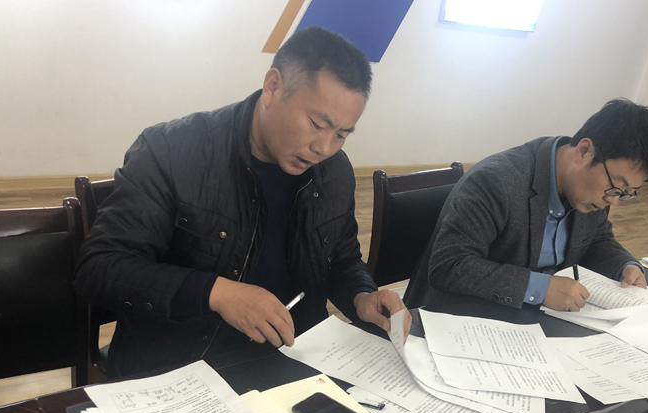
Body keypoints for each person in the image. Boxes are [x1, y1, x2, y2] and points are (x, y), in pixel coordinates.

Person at [74, 26, 407, 378]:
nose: (324, 148)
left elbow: (341, 258)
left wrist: (361, 296)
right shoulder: (171, 151)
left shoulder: (334, 171)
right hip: (185, 365)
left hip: (297, 358)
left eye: (341, 134)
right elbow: (100, 268)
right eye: (316, 124)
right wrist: (217, 293)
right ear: (273, 86)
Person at [404, 98, 648, 312]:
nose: (613, 199)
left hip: (535, 319)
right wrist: (540, 288)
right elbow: (450, 266)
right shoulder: (496, 181)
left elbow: (596, 238)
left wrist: (625, 265)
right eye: (616, 186)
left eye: (626, 193)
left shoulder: (589, 193)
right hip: (459, 318)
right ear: (584, 151)